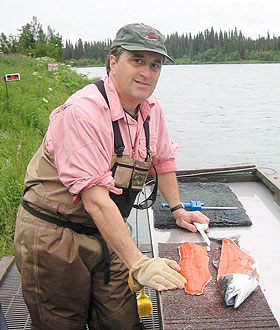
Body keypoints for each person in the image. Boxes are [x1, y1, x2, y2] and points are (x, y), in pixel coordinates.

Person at [14, 23, 209, 330]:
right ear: (113, 61)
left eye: (155, 65)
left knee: (122, 320)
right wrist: (140, 263)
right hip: (54, 237)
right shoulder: (82, 112)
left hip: (106, 230)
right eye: (137, 60)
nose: (147, 72)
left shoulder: (151, 109)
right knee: (61, 322)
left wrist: (177, 209)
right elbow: (94, 199)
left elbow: (164, 160)